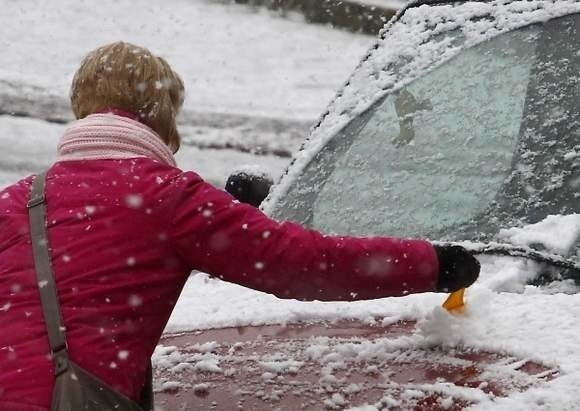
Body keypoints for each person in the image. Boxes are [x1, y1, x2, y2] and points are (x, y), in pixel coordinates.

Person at [0, 41, 479, 410]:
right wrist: (431, 265)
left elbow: (100, 249)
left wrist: (229, 213)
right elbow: (305, 263)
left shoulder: (15, 200)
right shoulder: (170, 198)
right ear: (161, 114)